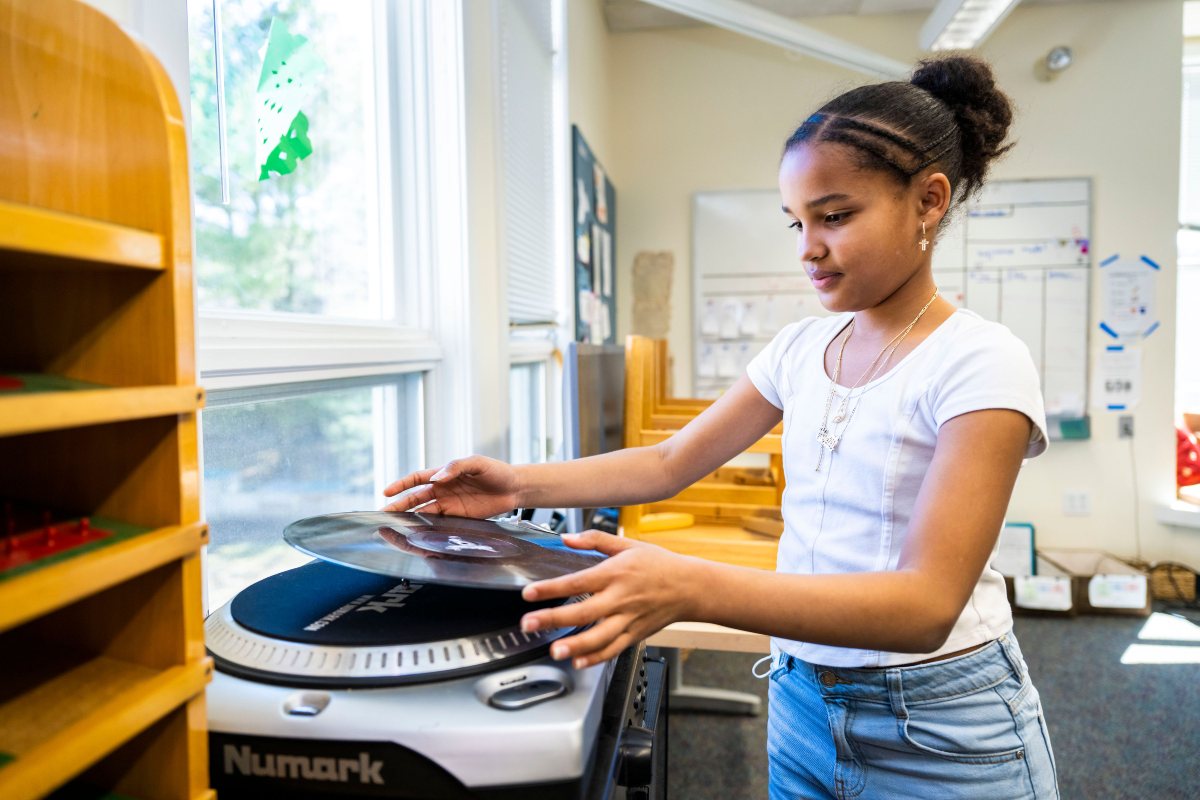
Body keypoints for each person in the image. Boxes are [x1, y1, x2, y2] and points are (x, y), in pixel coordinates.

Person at [383, 54, 1058, 799]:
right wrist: (515, 483)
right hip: (802, 700)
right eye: (797, 221)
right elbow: (670, 461)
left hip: (941, 727)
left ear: (929, 201)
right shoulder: (802, 348)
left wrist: (692, 586)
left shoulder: (981, 361)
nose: (808, 246)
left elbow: (927, 605)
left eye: (836, 216)